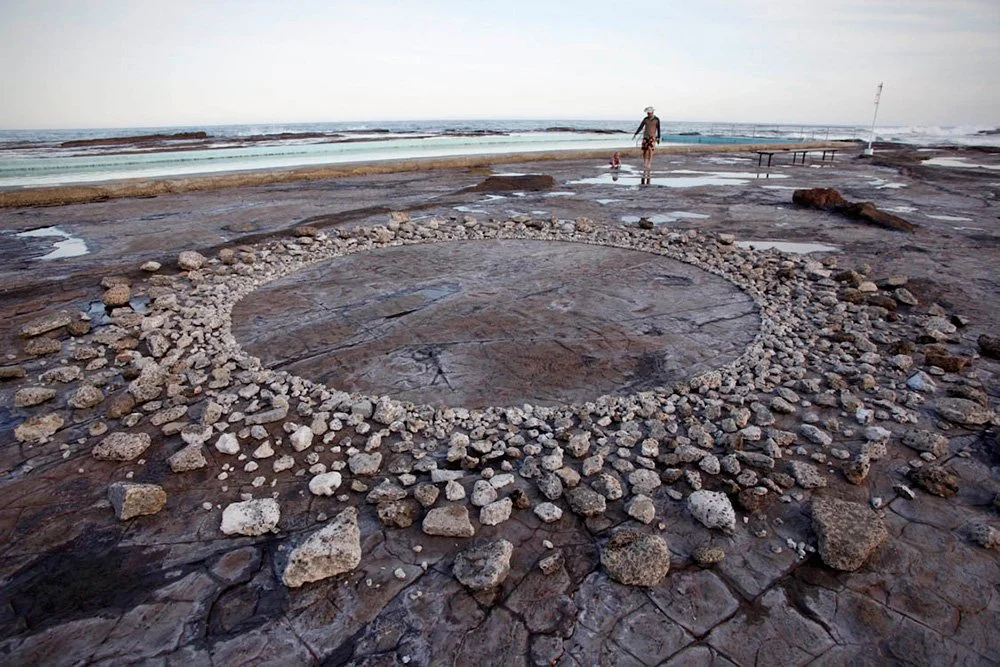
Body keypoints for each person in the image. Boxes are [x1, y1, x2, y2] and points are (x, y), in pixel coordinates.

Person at [632, 106, 661, 171]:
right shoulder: (645, 119)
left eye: (649, 113)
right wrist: (635, 133)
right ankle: (645, 162)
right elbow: (641, 127)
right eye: (647, 113)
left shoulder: (657, 119)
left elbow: (658, 129)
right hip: (645, 136)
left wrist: (658, 137)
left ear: (652, 112)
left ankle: (649, 163)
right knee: (645, 150)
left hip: (652, 136)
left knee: (650, 149)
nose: (648, 114)